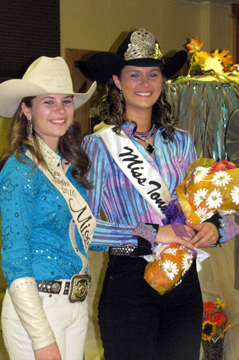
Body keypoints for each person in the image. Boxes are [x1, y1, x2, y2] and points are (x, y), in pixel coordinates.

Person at [82, 28, 239, 360]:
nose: (144, 82)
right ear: (116, 80)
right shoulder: (98, 145)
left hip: (184, 282)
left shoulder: (181, 141)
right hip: (129, 282)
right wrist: (153, 233)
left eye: (153, 74)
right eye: (134, 74)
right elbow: (86, 229)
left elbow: (215, 213)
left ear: (163, 81)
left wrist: (216, 228)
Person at [0, 56, 97, 360]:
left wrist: (153, 234)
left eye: (66, 101)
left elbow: (88, 233)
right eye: (48, 102)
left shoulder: (69, 169)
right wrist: (41, 338)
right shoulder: (19, 170)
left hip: (75, 305)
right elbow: (15, 259)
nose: (60, 111)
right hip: (37, 309)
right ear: (26, 110)